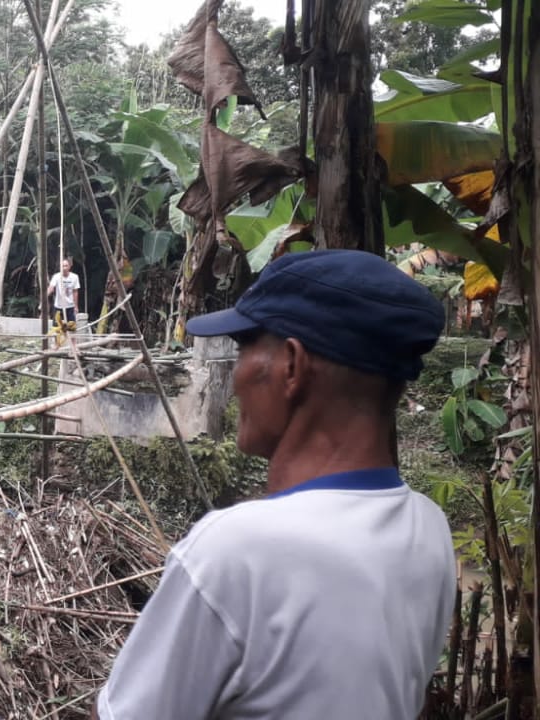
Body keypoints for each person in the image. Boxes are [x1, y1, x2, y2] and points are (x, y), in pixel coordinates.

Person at [92, 250, 456, 720]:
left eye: (244, 347)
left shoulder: (237, 550)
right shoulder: (428, 529)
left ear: (291, 366)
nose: (237, 376)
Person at [47, 257, 80, 331]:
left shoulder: (74, 277)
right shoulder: (56, 276)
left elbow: (75, 292)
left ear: (69, 266)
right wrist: (46, 294)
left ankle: (74, 343)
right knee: (56, 329)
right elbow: (51, 287)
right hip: (58, 306)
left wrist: (76, 306)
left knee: (72, 329)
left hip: (70, 306)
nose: (64, 268)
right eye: (62, 266)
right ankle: (56, 343)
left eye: (66, 266)